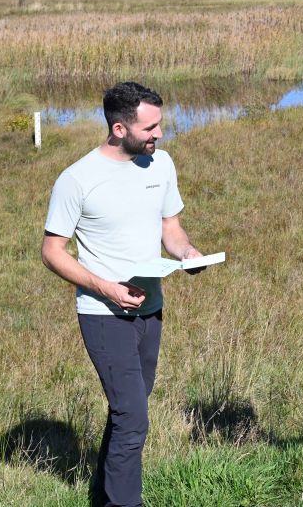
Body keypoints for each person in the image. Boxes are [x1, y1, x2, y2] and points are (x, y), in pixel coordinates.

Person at [42, 82, 203, 507]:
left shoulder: (161, 164)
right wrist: (106, 288)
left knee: (126, 413)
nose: (160, 135)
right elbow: (52, 251)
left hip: (152, 309)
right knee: (133, 417)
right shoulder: (77, 179)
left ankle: (103, 498)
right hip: (102, 313)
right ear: (118, 128)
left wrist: (187, 253)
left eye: (160, 125)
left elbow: (171, 226)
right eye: (150, 127)